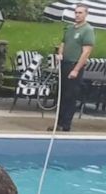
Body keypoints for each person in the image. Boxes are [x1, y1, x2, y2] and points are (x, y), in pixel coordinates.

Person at [49, 4, 95, 132]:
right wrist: (60, 54)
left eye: (80, 13)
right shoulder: (69, 28)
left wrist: (76, 69)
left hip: (74, 65)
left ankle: (66, 124)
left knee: (70, 95)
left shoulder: (88, 30)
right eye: (76, 12)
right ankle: (59, 122)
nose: (77, 15)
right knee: (61, 94)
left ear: (86, 14)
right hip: (65, 64)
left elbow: (86, 52)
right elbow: (63, 43)